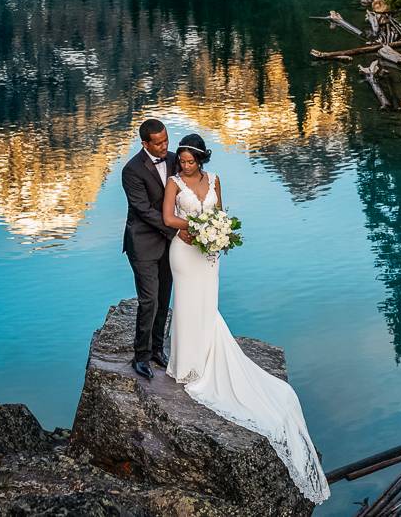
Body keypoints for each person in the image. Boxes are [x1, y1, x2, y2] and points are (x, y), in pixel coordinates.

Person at [157, 133, 330, 504]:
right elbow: (167, 216)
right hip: (184, 251)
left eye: (189, 160)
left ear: (201, 159)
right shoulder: (173, 183)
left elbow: (222, 214)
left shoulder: (215, 179)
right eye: (181, 160)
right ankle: (186, 366)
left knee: (207, 303)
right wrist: (188, 229)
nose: (184, 165)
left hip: (209, 253)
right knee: (187, 302)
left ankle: (204, 354)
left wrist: (216, 233)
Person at [120, 118, 187, 380]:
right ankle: (141, 356)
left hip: (170, 244)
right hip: (144, 243)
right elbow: (144, 210)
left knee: (164, 298)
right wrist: (178, 228)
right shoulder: (131, 170)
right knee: (149, 300)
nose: (164, 146)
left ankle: (158, 349)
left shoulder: (174, 160)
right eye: (158, 143)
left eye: (166, 140)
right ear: (145, 143)